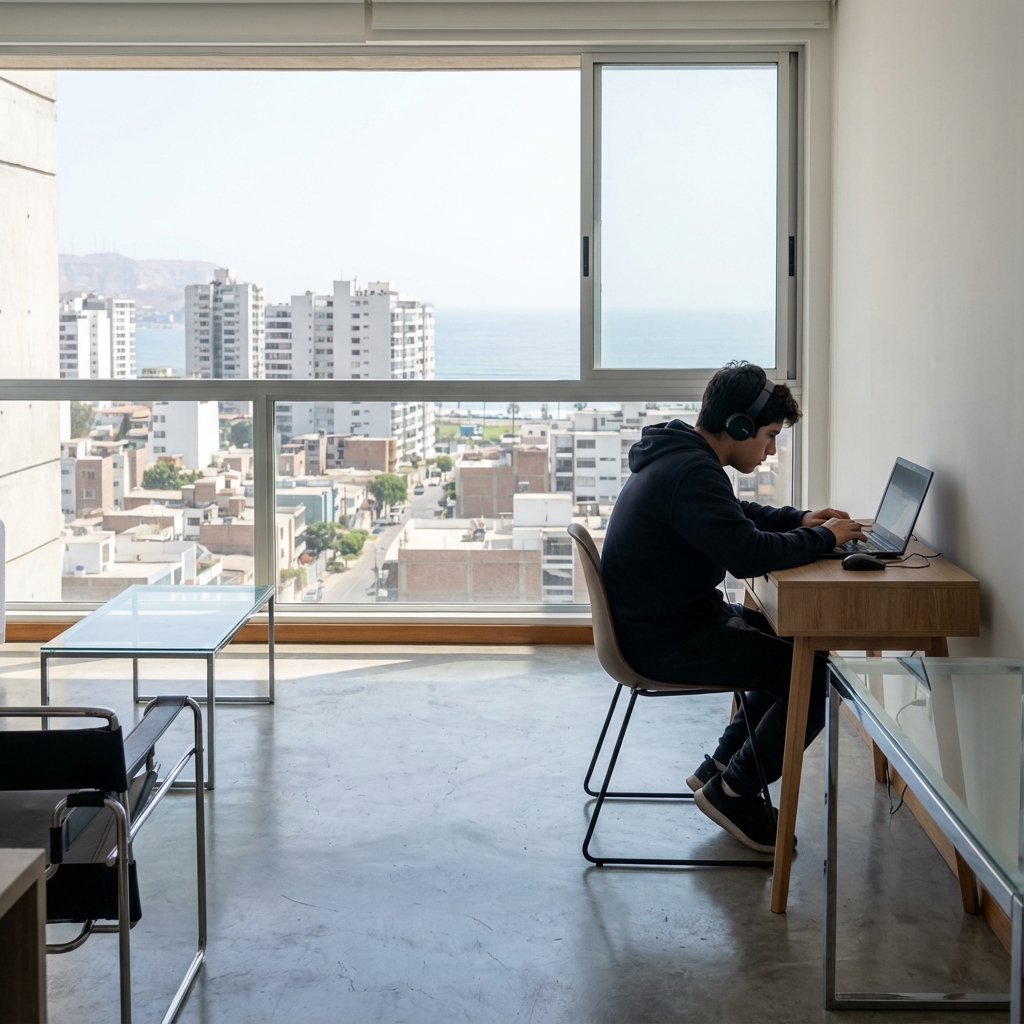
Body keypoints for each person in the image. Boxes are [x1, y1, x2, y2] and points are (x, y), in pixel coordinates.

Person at [600, 362, 866, 852]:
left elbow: (734, 517)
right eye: (768, 436)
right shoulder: (690, 471)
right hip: (667, 642)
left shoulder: (684, 458)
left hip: (667, 625)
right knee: (815, 678)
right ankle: (736, 793)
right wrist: (823, 537)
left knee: (791, 647)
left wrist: (800, 520)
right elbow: (747, 555)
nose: (769, 450)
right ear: (739, 425)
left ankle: (722, 767)